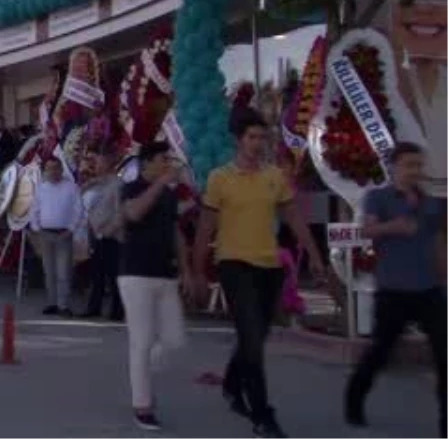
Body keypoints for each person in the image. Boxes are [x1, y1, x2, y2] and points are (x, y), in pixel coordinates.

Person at [193, 109, 325, 439]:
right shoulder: (219, 178)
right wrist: (196, 271)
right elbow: (205, 227)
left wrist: (314, 254)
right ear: (238, 140)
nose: (257, 143)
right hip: (233, 264)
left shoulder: (274, 176)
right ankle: (263, 416)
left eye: (261, 137)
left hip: (269, 266)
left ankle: (232, 383)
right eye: (251, 137)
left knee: (256, 336)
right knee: (251, 338)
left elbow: (294, 218)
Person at [345, 142, 447, 436]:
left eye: (418, 165)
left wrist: (444, 269)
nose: (414, 171)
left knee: (445, 355)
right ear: (394, 168)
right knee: (380, 351)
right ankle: (355, 398)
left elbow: (438, 240)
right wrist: (394, 227)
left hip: (429, 289)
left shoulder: (429, 202)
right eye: (408, 165)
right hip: (393, 290)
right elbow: (367, 230)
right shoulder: (378, 198)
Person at [117, 141, 199, 431]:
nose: (168, 163)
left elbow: (175, 232)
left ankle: (144, 371)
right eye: (163, 159)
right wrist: (161, 183)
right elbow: (134, 213)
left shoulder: (168, 195)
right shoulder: (132, 187)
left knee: (174, 339)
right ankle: (142, 406)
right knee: (140, 341)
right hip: (135, 274)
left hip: (166, 274)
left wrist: (187, 269)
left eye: (169, 159)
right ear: (148, 162)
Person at [30, 155, 84, 316]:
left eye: (56, 168)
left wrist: (71, 228)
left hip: (63, 234)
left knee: (63, 272)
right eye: (49, 168)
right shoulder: (41, 188)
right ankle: (52, 302)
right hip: (46, 233)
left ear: (61, 170)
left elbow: (78, 210)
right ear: (45, 171)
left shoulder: (71, 188)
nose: (53, 172)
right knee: (49, 271)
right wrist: (36, 228)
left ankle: (63, 304)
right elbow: (34, 210)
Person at [84, 151, 125, 321]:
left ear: (109, 164)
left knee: (114, 275)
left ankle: (117, 311)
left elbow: (119, 210)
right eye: (96, 163)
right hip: (97, 234)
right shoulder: (98, 184)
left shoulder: (118, 184)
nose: (97, 166)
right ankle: (94, 307)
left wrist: (110, 229)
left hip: (112, 236)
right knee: (97, 273)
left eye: (100, 163)